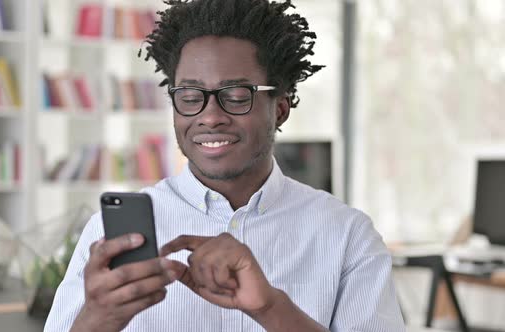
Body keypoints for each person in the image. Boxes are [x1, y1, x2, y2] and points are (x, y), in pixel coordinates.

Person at [45, 0, 405, 331]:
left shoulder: (347, 236)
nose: (210, 116)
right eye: (189, 97)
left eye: (235, 96)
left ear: (280, 108)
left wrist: (271, 308)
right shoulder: (108, 236)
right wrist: (96, 318)